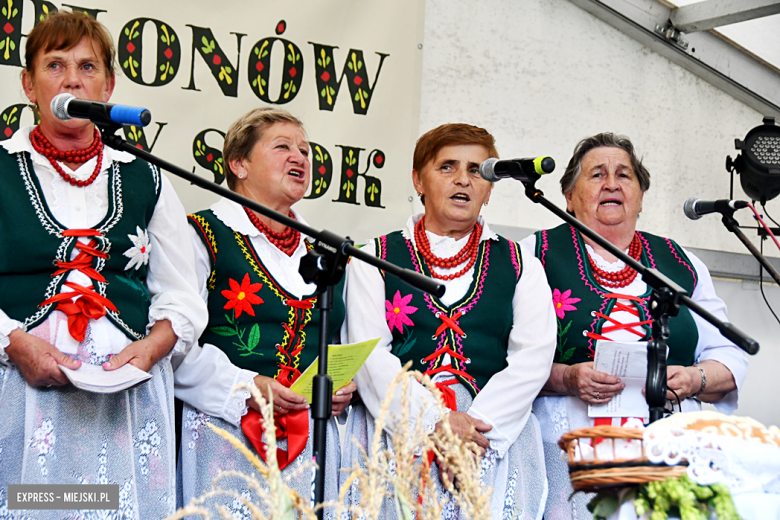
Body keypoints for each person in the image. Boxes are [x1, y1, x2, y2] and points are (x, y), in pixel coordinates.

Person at [0, 11, 207, 518]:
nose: (72, 78)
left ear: (108, 87)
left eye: (87, 67)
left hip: (122, 400)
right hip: (19, 392)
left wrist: (152, 348)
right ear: (28, 84)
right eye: (55, 64)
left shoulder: (147, 178)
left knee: (109, 505)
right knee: (32, 506)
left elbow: (181, 292)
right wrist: (13, 342)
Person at [519, 132, 749, 520]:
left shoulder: (679, 261)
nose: (612, 183)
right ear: (569, 196)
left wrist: (695, 379)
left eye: (624, 175)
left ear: (641, 195)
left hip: (670, 440)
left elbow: (728, 354)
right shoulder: (531, 255)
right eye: (596, 175)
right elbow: (498, 356)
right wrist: (566, 377)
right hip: (570, 441)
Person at [341, 123, 557, 519]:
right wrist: (435, 424)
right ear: (417, 180)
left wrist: (475, 431)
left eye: (477, 170)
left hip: (491, 439)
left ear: (490, 189)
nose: (463, 179)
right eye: (447, 167)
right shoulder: (373, 257)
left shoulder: (521, 263)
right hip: (399, 433)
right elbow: (369, 356)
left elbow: (534, 356)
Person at [174, 107, 355, 515]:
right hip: (226, 434)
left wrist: (344, 385)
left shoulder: (326, 252)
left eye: (305, 150)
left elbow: (343, 344)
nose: (300, 157)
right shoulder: (202, 234)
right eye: (282, 147)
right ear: (238, 164)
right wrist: (246, 387)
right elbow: (175, 345)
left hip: (312, 441)